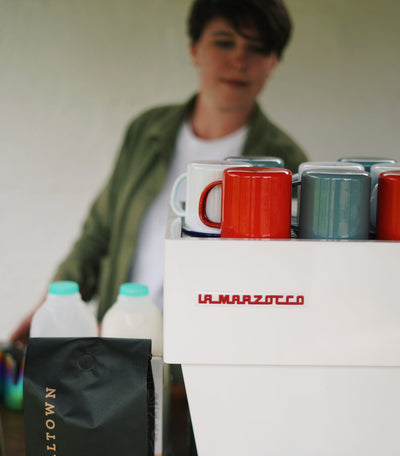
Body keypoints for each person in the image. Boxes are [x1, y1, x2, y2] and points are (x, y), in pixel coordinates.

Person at [10, 0, 308, 346]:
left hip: (210, 362)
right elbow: (99, 232)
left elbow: (281, 285)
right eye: (224, 41)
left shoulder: (287, 165)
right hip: (120, 349)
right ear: (195, 48)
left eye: (257, 48)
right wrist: (51, 308)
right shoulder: (146, 131)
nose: (239, 60)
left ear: (273, 62)